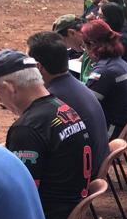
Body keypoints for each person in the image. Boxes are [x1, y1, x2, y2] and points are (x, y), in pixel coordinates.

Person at [0, 49, 92, 219]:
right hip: (68, 212)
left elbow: (21, 195)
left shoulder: (27, 128)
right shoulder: (61, 107)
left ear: (9, 88)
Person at [27, 31, 110, 171]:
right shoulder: (75, 86)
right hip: (95, 164)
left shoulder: (52, 101)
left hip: (82, 175)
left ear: (38, 67)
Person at [81, 19, 127, 139]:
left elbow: (85, 106)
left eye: (84, 46)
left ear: (92, 44)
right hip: (119, 126)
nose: (85, 51)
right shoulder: (120, 63)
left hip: (109, 132)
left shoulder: (104, 71)